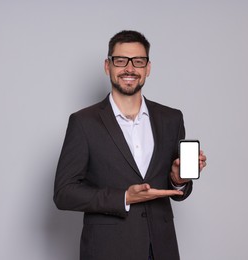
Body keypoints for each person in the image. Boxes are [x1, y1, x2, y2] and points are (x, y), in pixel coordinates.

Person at [53, 30, 207, 260]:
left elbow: (176, 191)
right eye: (121, 60)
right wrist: (123, 197)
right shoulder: (83, 122)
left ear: (148, 68)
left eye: (138, 61)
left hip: (161, 248)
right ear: (108, 66)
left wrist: (178, 179)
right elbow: (64, 193)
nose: (130, 68)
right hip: (108, 250)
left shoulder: (171, 118)